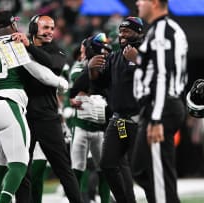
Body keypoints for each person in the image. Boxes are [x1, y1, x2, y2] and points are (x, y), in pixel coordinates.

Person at [0, 10, 68, 203]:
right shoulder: (14, 43)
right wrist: (61, 83)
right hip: (7, 104)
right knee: (19, 164)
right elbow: (41, 74)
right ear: (13, 25)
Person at [12, 14, 83, 203]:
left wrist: (28, 46)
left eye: (52, 28)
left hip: (47, 117)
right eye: (45, 28)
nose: (50, 32)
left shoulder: (57, 51)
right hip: (24, 116)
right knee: (22, 168)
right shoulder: (20, 50)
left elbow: (52, 64)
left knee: (63, 168)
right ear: (34, 29)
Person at [124, 0, 188, 202]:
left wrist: (156, 118)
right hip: (161, 105)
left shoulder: (162, 31)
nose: (137, 3)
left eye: (141, 0)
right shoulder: (163, 30)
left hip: (161, 106)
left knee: (157, 174)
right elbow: (159, 67)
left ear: (154, 2)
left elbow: (162, 74)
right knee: (142, 168)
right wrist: (140, 60)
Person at [85, 17, 144, 203]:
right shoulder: (114, 57)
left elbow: (157, 77)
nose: (121, 35)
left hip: (140, 120)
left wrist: (139, 60)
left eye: (126, 31)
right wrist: (92, 71)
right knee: (107, 165)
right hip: (118, 121)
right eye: (120, 31)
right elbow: (100, 86)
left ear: (139, 32)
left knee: (142, 171)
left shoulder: (148, 53)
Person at [69, 33, 111, 203]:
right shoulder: (79, 66)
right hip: (80, 126)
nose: (82, 52)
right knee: (77, 168)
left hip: (101, 128)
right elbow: (79, 86)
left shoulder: (107, 65)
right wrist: (89, 69)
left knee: (105, 170)